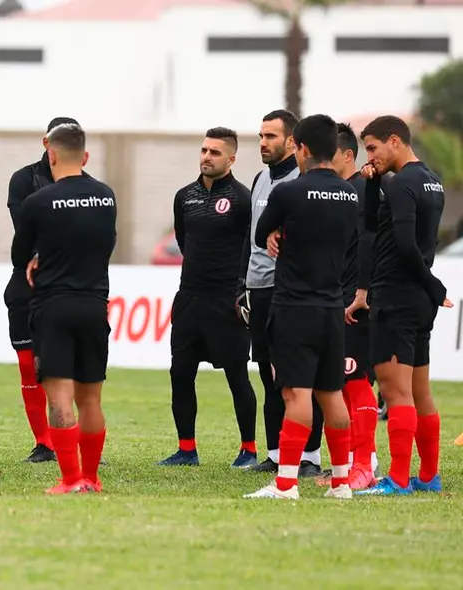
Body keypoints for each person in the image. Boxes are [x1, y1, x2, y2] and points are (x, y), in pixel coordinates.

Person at [245, 114, 358, 500]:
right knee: (332, 395)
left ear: (302, 148)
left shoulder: (289, 192)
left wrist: (277, 231)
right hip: (331, 306)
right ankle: (341, 483)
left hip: (295, 305)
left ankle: (286, 484)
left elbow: (261, 234)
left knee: (295, 394)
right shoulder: (349, 194)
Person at [11, 122, 115, 494]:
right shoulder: (106, 197)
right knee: (91, 397)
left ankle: (70, 479)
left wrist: (40, 257)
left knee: (59, 396)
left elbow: (19, 255)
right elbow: (105, 243)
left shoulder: (38, 202)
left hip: (53, 307)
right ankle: (93, 477)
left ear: (51, 154)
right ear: (84, 156)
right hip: (93, 305)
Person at [356, 115, 452, 496]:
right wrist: (374, 183)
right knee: (420, 390)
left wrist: (433, 284)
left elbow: (403, 243)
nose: (371, 156)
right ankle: (428, 476)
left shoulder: (403, 185)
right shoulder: (431, 180)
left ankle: (397, 479)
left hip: (397, 295)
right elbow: (377, 224)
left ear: (395, 141)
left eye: (374, 148)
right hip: (417, 301)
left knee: (397, 394)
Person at [158, 127, 258, 469]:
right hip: (189, 299)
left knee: (236, 376)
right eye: (203, 150)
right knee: (180, 373)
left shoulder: (243, 199)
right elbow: (185, 242)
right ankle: (187, 449)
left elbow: (251, 246)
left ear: (230, 159)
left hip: (226, 300)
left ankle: (249, 449)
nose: (206, 157)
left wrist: (241, 289)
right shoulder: (184, 196)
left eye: (215, 152)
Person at [246, 109, 324, 478]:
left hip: (291, 291)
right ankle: (276, 452)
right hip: (258, 290)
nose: (263, 143)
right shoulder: (260, 178)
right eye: (261, 136)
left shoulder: (302, 180)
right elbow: (251, 240)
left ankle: (309, 456)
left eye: (271, 137)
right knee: (267, 375)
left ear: (293, 142)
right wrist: (241, 287)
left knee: (300, 379)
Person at [5, 116, 80, 464]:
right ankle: (44, 442)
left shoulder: (90, 186)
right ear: (46, 143)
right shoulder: (23, 179)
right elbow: (26, 230)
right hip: (27, 284)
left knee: (73, 368)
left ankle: (72, 437)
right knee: (28, 367)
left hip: (68, 287)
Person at [327, 123, 383, 489]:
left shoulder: (361, 191)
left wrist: (362, 292)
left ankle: (365, 462)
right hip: (339, 295)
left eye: (328, 153)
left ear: (348, 155)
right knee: (343, 381)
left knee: (357, 378)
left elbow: (370, 243)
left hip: (358, 299)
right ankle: (349, 464)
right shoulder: (342, 192)